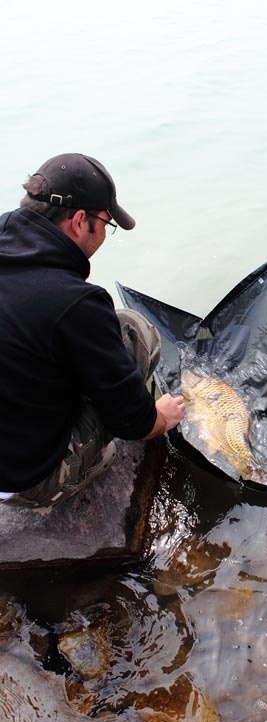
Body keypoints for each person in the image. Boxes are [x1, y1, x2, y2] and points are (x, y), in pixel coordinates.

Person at [0, 153, 185, 511]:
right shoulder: (75, 302)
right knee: (133, 329)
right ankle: (59, 482)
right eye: (105, 223)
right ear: (80, 220)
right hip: (24, 479)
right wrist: (161, 417)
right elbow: (134, 422)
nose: (103, 234)